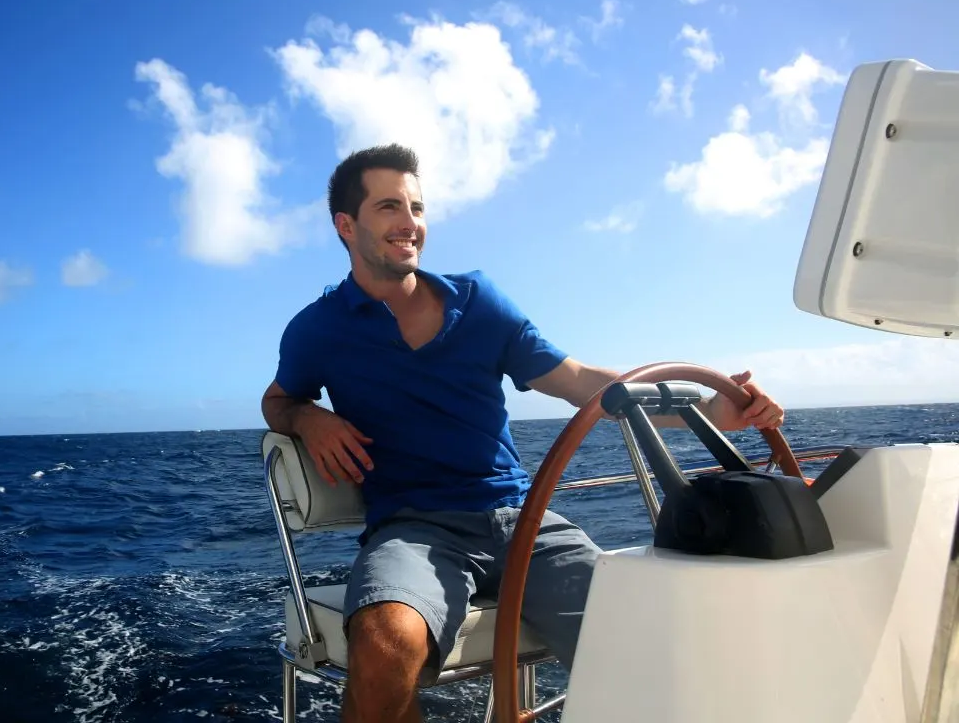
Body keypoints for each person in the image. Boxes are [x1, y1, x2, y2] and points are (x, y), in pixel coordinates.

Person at [260, 144, 785, 723]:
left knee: (651, 645)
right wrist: (309, 417)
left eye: (417, 206)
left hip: (526, 521)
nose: (411, 223)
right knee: (385, 646)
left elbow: (579, 381)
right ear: (346, 224)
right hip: (415, 530)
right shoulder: (318, 329)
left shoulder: (479, 301)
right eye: (389, 207)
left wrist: (713, 409)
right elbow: (278, 400)